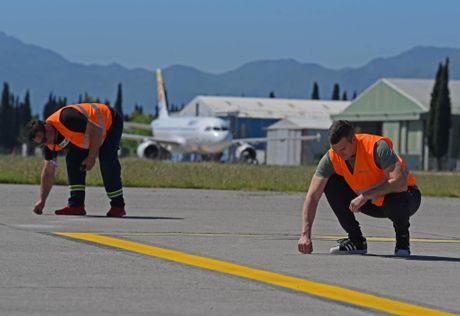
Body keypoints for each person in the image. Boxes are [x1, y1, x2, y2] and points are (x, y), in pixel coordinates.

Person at [297, 120, 421, 257]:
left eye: (343, 149)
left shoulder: (377, 147)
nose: (339, 154)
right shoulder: (332, 157)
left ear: (353, 139)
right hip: (369, 201)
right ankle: (356, 241)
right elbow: (312, 196)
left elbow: (400, 183)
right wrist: (305, 235)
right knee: (331, 183)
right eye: (335, 150)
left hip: (406, 197)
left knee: (397, 198)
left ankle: (402, 242)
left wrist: (365, 196)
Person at [26, 102, 126, 217]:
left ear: (47, 127)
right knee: (73, 159)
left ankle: (118, 205)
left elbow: (97, 131)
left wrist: (91, 157)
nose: (46, 143)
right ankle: (76, 205)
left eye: (45, 138)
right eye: (42, 142)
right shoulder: (49, 143)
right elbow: (48, 171)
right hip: (87, 136)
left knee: (107, 160)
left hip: (109, 122)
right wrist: (42, 201)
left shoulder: (67, 118)